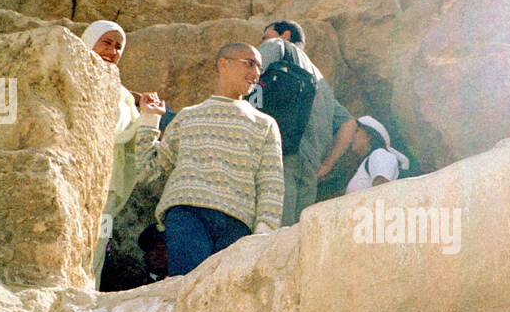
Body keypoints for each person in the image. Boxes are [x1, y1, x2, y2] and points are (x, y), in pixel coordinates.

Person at [134, 42, 284, 276]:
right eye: (250, 63)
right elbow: (148, 171)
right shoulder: (187, 117)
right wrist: (149, 120)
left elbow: (271, 182)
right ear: (223, 64)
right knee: (188, 291)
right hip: (187, 216)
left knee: (224, 300)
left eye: (259, 68)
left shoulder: (265, 124)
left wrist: (263, 232)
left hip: (238, 224)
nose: (256, 73)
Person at [247, 20, 357, 225]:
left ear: (285, 35)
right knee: (296, 236)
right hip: (310, 167)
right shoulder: (320, 80)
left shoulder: (276, 46)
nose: (262, 41)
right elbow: (349, 123)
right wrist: (327, 163)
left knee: (274, 231)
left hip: (280, 155)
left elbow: (251, 78)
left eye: (265, 36)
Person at [80, 19, 162, 288]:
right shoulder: (76, 77)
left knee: (98, 241)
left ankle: (85, 292)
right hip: (79, 175)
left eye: (118, 46)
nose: (112, 51)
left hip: (108, 183)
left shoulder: (121, 94)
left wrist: (148, 116)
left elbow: (124, 134)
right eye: (106, 42)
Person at [345, 116, 410, 192]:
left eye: (356, 131)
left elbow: (381, 190)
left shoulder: (379, 154)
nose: (351, 136)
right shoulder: (369, 161)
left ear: (369, 135)